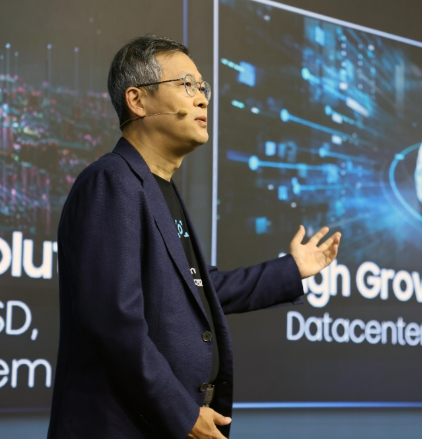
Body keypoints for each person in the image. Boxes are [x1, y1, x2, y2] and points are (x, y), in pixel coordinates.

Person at [47, 35, 341, 439]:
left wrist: (291, 270)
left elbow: (195, 289)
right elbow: (113, 322)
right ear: (137, 100)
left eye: (202, 87)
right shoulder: (111, 182)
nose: (202, 99)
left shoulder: (159, 187)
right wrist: (182, 414)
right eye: (187, 85)